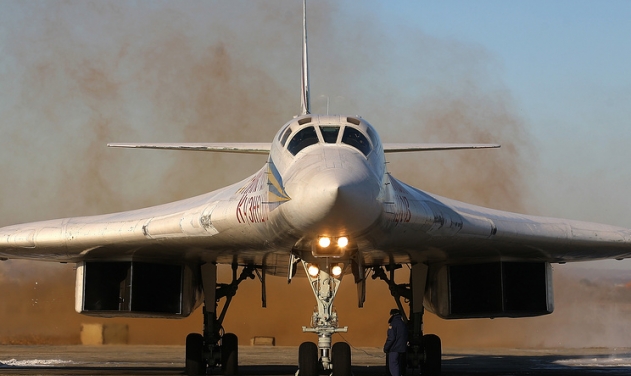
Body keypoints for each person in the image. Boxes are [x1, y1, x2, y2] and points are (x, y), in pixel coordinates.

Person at [383, 308, 408, 376]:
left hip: (394, 349)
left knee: (393, 366)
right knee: (399, 367)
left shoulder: (393, 324)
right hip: (402, 349)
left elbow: (391, 338)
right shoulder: (403, 324)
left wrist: (386, 347)